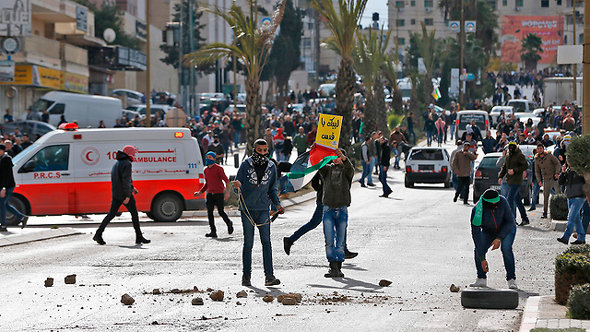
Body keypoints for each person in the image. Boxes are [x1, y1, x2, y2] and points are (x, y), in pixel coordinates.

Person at [233, 139, 282, 287]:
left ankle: (269, 276)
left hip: (263, 209)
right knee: (248, 243)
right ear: (254, 150)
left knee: (266, 242)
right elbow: (237, 185)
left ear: (268, 150)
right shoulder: (245, 165)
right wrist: (237, 186)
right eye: (259, 150)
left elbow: (273, 188)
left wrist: (277, 204)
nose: (262, 153)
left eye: (265, 150)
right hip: (247, 208)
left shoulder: (271, 166)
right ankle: (246, 276)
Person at [92, 145, 150, 245]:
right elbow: (125, 180)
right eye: (134, 153)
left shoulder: (117, 163)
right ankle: (139, 237)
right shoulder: (127, 163)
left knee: (111, 214)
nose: (135, 155)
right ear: (130, 153)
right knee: (134, 214)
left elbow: (121, 179)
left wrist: (132, 188)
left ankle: (98, 234)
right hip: (124, 194)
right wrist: (127, 195)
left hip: (117, 194)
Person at [469, 189, 518, 289]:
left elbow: (510, 221)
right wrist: (482, 258)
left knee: (506, 248)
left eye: (497, 202)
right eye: (493, 204)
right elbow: (476, 234)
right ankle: (481, 278)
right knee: (478, 249)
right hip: (488, 231)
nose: (496, 205)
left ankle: (511, 279)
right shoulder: (477, 211)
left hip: (506, 228)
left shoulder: (503, 201)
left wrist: (499, 238)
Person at [319, 148, 354, 278]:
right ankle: (332, 266)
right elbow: (318, 164)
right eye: (334, 156)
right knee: (329, 239)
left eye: (338, 156)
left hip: (342, 208)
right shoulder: (327, 170)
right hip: (328, 208)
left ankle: (339, 266)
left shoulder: (346, 171)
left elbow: (350, 169)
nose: (336, 158)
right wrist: (317, 151)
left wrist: (344, 158)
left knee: (340, 240)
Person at [195, 151, 234, 238]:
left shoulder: (218, 168)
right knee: (210, 212)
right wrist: (200, 192)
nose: (208, 159)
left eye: (210, 157)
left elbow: (227, 181)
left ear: (214, 159)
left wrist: (227, 193)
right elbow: (207, 183)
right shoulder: (206, 170)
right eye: (207, 157)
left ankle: (229, 223)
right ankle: (213, 231)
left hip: (219, 193)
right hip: (210, 194)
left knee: (220, 211)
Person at [498, 141, 530, 226]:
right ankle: (525, 218)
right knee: (518, 201)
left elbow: (526, 166)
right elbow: (505, 166)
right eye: (510, 147)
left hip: (517, 180)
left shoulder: (519, 155)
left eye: (512, 147)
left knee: (510, 198)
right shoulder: (508, 155)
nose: (511, 149)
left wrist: (515, 170)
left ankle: (511, 219)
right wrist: (500, 176)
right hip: (510, 180)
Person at [557, 162, 587, 245]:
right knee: (576, 219)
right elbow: (560, 182)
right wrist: (563, 172)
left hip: (579, 197)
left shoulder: (580, 170)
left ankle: (566, 237)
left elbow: (587, 182)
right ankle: (581, 238)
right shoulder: (568, 170)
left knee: (571, 217)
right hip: (570, 197)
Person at [0, 144, 27, 231]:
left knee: (2, 205)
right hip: (5, 186)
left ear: (2, 150)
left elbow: (6, 175)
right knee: (6, 205)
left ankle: (3, 225)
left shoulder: (6, 159)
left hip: (7, 186)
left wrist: (4, 188)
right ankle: (22, 217)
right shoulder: (2, 159)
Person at [534, 144, 561, 218]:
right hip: (545, 179)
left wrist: (557, 173)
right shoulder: (537, 159)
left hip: (553, 177)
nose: (540, 150)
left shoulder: (549, 156)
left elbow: (557, 163)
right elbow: (537, 171)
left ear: (543, 149)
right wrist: (539, 180)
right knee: (546, 196)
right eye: (538, 148)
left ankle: (560, 211)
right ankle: (545, 212)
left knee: (558, 194)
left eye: (541, 148)